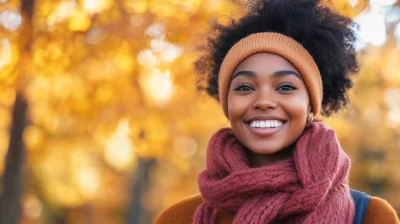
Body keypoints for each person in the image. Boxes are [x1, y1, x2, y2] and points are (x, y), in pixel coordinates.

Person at [154, 0, 400, 223]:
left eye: (285, 87)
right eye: (244, 87)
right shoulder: (178, 218)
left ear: (311, 107)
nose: (263, 101)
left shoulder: (370, 217)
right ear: (227, 105)